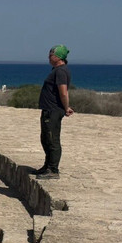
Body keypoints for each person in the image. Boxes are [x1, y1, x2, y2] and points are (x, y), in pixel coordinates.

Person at [36, 45, 75, 178]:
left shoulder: (61, 71)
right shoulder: (57, 70)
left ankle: (53, 170)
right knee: (45, 138)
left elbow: (63, 92)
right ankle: (47, 166)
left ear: (58, 57)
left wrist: (66, 107)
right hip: (48, 109)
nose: (49, 57)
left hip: (53, 110)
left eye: (51, 55)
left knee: (52, 139)